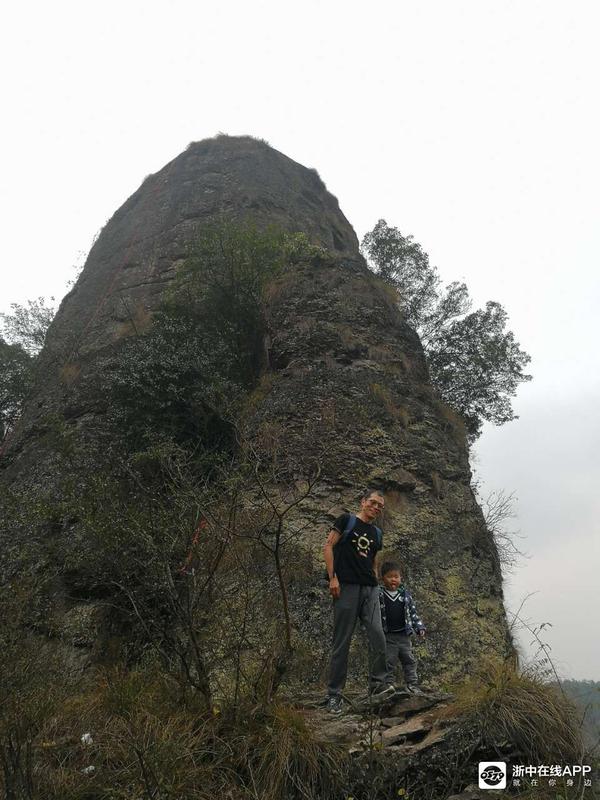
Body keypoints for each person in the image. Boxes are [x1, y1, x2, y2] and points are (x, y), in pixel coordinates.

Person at [323, 488, 395, 714]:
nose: (376, 508)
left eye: (380, 506)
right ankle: (334, 694)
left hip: (370, 589)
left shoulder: (377, 533)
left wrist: (375, 579)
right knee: (342, 640)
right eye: (373, 503)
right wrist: (332, 578)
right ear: (363, 502)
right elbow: (328, 546)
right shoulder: (346, 520)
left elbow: (373, 559)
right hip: (346, 586)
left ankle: (378, 685)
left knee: (378, 634)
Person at [379, 560, 426, 694]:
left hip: (404, 635)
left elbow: (413, 613)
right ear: (383, 578)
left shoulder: (405, 595)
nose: (393, 579)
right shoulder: (379, 594)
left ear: (401, 578)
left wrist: (419, 627)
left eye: (396, 576)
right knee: (388, 661)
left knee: (409, 660)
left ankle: (412, 684)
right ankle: (388, 685)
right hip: (388, 636)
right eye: (389, 576)